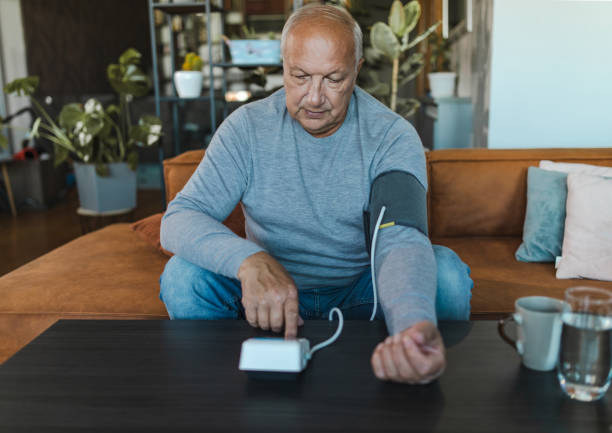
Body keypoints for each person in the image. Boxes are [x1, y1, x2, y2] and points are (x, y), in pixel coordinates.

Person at [160, 4, 472, 385]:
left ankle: (411, 361)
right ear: (284, 65)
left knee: (448, 276)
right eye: (301, 76)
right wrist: (250, 262)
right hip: (268, 297)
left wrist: (411, 326)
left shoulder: (391, 136)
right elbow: (179, 218)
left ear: (356, 70)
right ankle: (226, 385)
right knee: (182, 278)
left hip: (361, 292)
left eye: (334, 79)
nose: (314, 98)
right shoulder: (246, 128)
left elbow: (401, 238)